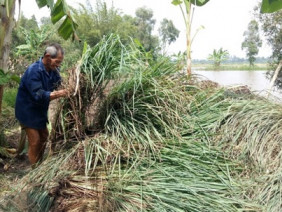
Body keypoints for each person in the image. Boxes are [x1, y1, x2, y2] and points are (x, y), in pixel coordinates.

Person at [15, 43, 68, 167]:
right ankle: (35, 171)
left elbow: (59, 83)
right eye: (57, 61)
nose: (58, 64)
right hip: (27, 111)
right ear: (48, 56)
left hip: (39, 111)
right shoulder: (34, 70)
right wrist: (59, 93)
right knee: (35, 141)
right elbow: (38, 94)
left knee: (44, 137)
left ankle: (39, 163)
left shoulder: (53, 70)